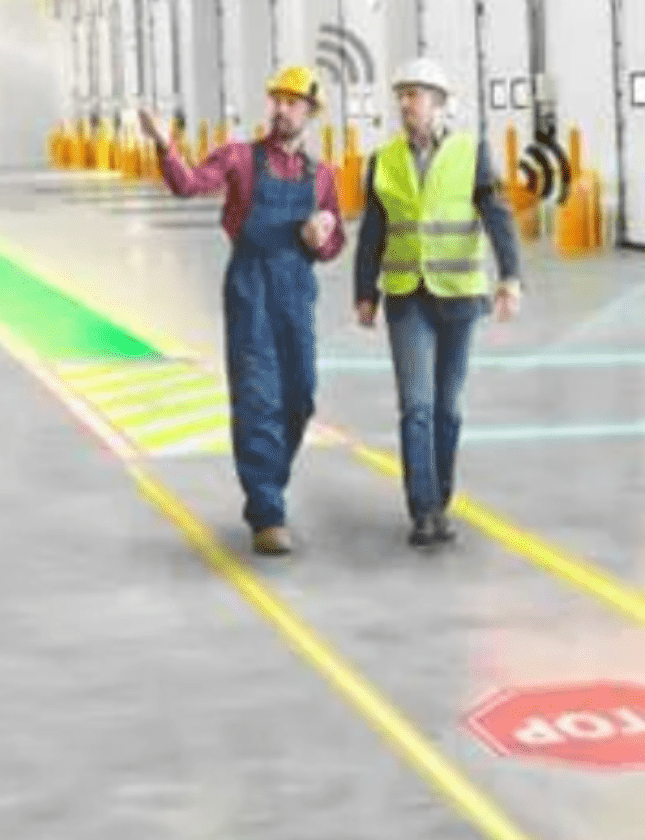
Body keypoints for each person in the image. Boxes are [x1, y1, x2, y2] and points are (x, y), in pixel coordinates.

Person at [139, 67, 344, 558]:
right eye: (276, 99)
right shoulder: (239, 159)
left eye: (293, 102)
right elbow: (189, 185)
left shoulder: (323, 175)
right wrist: (166, 146)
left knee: (300, 398)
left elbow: (335, 240)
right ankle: (267, 511)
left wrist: (323, 236)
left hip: (297, 289)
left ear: (310, 113)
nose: (281, 109)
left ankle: (269, 482)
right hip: (251, 286)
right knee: (257, 398)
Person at [354, 58, 521, 551]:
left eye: (418, 93)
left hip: (460, 298)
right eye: (403, 94)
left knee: (448, 409)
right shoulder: (383, 160)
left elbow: (498, 215)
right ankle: (424, 510)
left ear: (441, 103)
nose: (408, 103)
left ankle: (441, 497)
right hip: (407, 296)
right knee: (417, 407)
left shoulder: (472, 153)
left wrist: (510, 276)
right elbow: (372, 233)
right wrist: (365, 292)